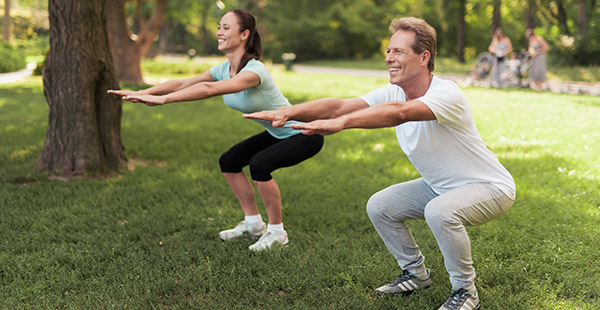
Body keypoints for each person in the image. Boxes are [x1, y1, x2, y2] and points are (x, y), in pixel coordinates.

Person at [245, 17, 515, 310]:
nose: (389, 58)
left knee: (439, 212)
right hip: (440, 186)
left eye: (398, 51)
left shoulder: (446, 93)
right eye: (388, 51)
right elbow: (340, 105)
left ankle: (465, 292)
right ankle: (415, 273)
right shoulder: (393, 92)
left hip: (489, 188)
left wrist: (342, 124)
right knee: (381, 205)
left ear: (424, 57)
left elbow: (399, 113)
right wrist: (289, 111)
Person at [108, 9, 324, 251]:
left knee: (260, 164)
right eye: (219, 27)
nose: (219, 32)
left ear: (244, 34)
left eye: (226, 28)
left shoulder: (254, 71)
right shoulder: (223, 68)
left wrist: (166, 100)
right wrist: (144, 93)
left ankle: (277, 232)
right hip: (277, 132)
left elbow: (210, 89)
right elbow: (183, 83)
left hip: (304, 133)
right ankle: (253, 225)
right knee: (229, 161)